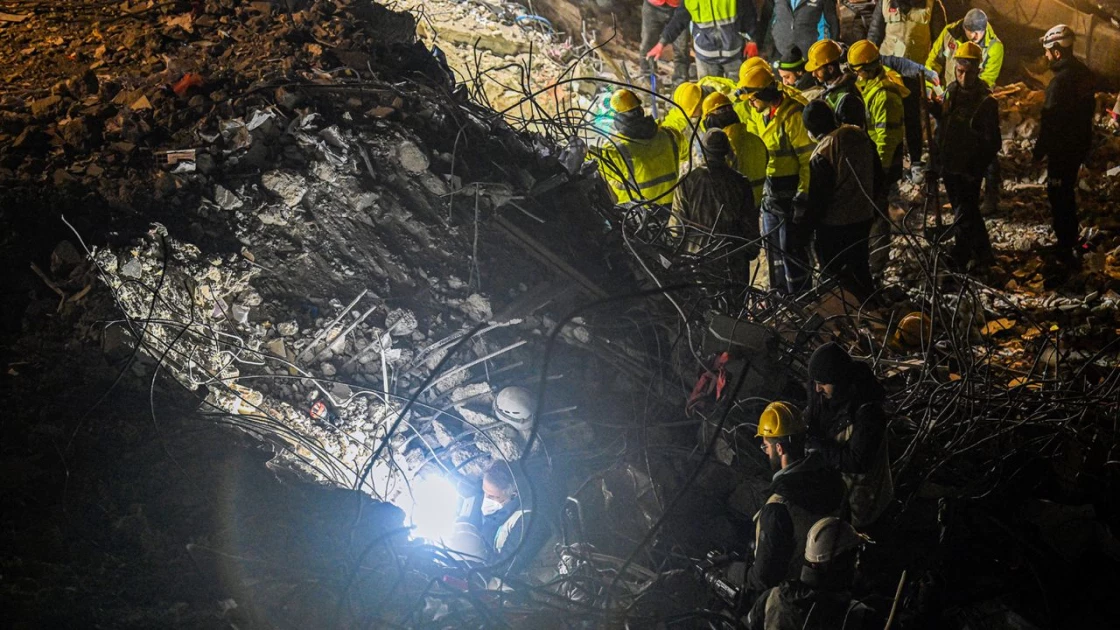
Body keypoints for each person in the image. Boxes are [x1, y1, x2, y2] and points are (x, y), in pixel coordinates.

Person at [746, 402, 846, 599]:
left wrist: (735, 573)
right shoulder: (836, 481)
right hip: (833, 585)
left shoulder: (778, 508)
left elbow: (764, 579)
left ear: (780, 448)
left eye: (766, 445)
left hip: (793, 599)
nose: (766, 451)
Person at [737, 64, 815, 294]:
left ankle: (800, 296)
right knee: (773, 250)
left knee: (792, 250)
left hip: (791, 195)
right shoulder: (761, 115)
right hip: (770, 194)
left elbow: (807, 161)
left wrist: (804, 195)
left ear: (763, 93)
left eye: (753, 98)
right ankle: (780, 294)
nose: (750, 102)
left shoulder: (793, 115)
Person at [805, 342, 893, 528]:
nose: (817, 389)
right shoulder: (826, 395)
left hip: (866, 505)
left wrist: (819, 446)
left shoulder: (868, 411)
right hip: (841, 498)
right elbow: (813, 417)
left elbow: (857, 461)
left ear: (839, 379)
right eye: (815, 383)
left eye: (823, 383)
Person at [926, 8, 1004, 213]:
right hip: (950, 95)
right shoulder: (950, 33)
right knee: (943, 140)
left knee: (982, 148)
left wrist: (967, 93)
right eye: (970, 31)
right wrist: (934, 88)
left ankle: (990, 195)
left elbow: (987, 79)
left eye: (977, 32)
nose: (974, 36)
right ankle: (947, 190)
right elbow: (934, 60)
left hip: (972, 104)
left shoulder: (994, 47)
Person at [802, 100, 881, 301]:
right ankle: (871, 306)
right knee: (860, 266)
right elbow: (879, 176)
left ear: (810, 129)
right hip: (864, 216)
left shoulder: (823, 151)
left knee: (835, 278)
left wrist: (805, 228)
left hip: (835, 224)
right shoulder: (860, 136)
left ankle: (848, 315)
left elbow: (819, 198)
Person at [931, 41, 1000, 272]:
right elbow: (945, 122)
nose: (964, 77)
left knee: (966, 211)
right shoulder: (951, 90)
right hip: (950, 164)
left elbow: (993, 143)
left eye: (969, 73)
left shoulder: (986, 102)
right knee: (962, 210)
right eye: (960, 71)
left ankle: (980, 254)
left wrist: (975, 169)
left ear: (978, 70)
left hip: (969, 168)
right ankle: (965, 250)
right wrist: (935, 112)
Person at [1033, 24, 1096, 269]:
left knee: (1059, 195)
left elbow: (1050, 122)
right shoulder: (1084, 73)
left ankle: (1065, 247)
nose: (1046, 56)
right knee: (1066, 192)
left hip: (1062, 150)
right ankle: (1069, 242)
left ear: (1058, 52)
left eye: (1048, 51)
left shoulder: (1059, 83)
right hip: (1078, 146)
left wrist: (1039, 152)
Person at [747, 517, 881, 630]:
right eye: (854, 559)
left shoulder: (771, 598)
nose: (857, 566)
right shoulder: (858, 615)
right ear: (840, 564)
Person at [670, 129, 761, 280]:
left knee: (704, 301)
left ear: (703, 151)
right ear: (726, 151)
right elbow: (749, 222)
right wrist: (752, 249)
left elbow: (677, 226)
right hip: (733, 256)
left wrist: (676, 254)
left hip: (698, 258)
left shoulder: (686, 182)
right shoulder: (740, 182)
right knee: (736, 301)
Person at [847, 40, 905, 277]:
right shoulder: (871, 84)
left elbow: (885, 138)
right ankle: (873, 258)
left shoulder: (884, 94)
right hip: (873, 162)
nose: (856, 76)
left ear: (869, 68)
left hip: (882, 163)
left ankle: (878, 264)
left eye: (858, 70)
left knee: (878, 213)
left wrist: (877, 171)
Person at [596, 89, 682, 205]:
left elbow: (589, 159)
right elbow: (685, 154)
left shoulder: (618, 152)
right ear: (641, 110)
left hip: (634, 217)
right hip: (673, 213)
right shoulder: (670, 136)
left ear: (618, 118)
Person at [649, 0, 759, 79]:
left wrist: (753, 40)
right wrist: (661, 43)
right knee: (710, 100)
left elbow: (748, 12)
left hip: (733, 54)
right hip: (706, 57)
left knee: (739, 96)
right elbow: (678, 20)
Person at [700, 92, 769, 206]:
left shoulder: (724, 145)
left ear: (710, 120)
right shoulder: (756, 139)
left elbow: (716, 178)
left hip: (734, 205)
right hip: (756, 202)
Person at [639, 0, 691, 86]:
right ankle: (648, 83)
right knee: (647, 46)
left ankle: (680, 86)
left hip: (680, 7)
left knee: (682, 50)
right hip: (652, 6)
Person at [770, 0, 840, 61]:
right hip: (783, 54)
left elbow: (831, 25)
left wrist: (823, 54)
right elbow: (773, 21)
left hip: (812, 57)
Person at [868, 0, 935, 63]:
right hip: (888, 66)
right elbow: (874, 34)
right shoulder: (885, 2)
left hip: (918, 67)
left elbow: (940, 42)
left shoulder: (931, 3)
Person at [805, 39, 859, 109]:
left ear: (830, 69)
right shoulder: (830, 88)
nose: (813, 74)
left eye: (817, 70)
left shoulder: (846, 97)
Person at [661, 81, 705, 168]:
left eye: (692, 112)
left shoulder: (718, 106)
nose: (691, 115)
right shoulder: (691, 98)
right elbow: (676, 119)